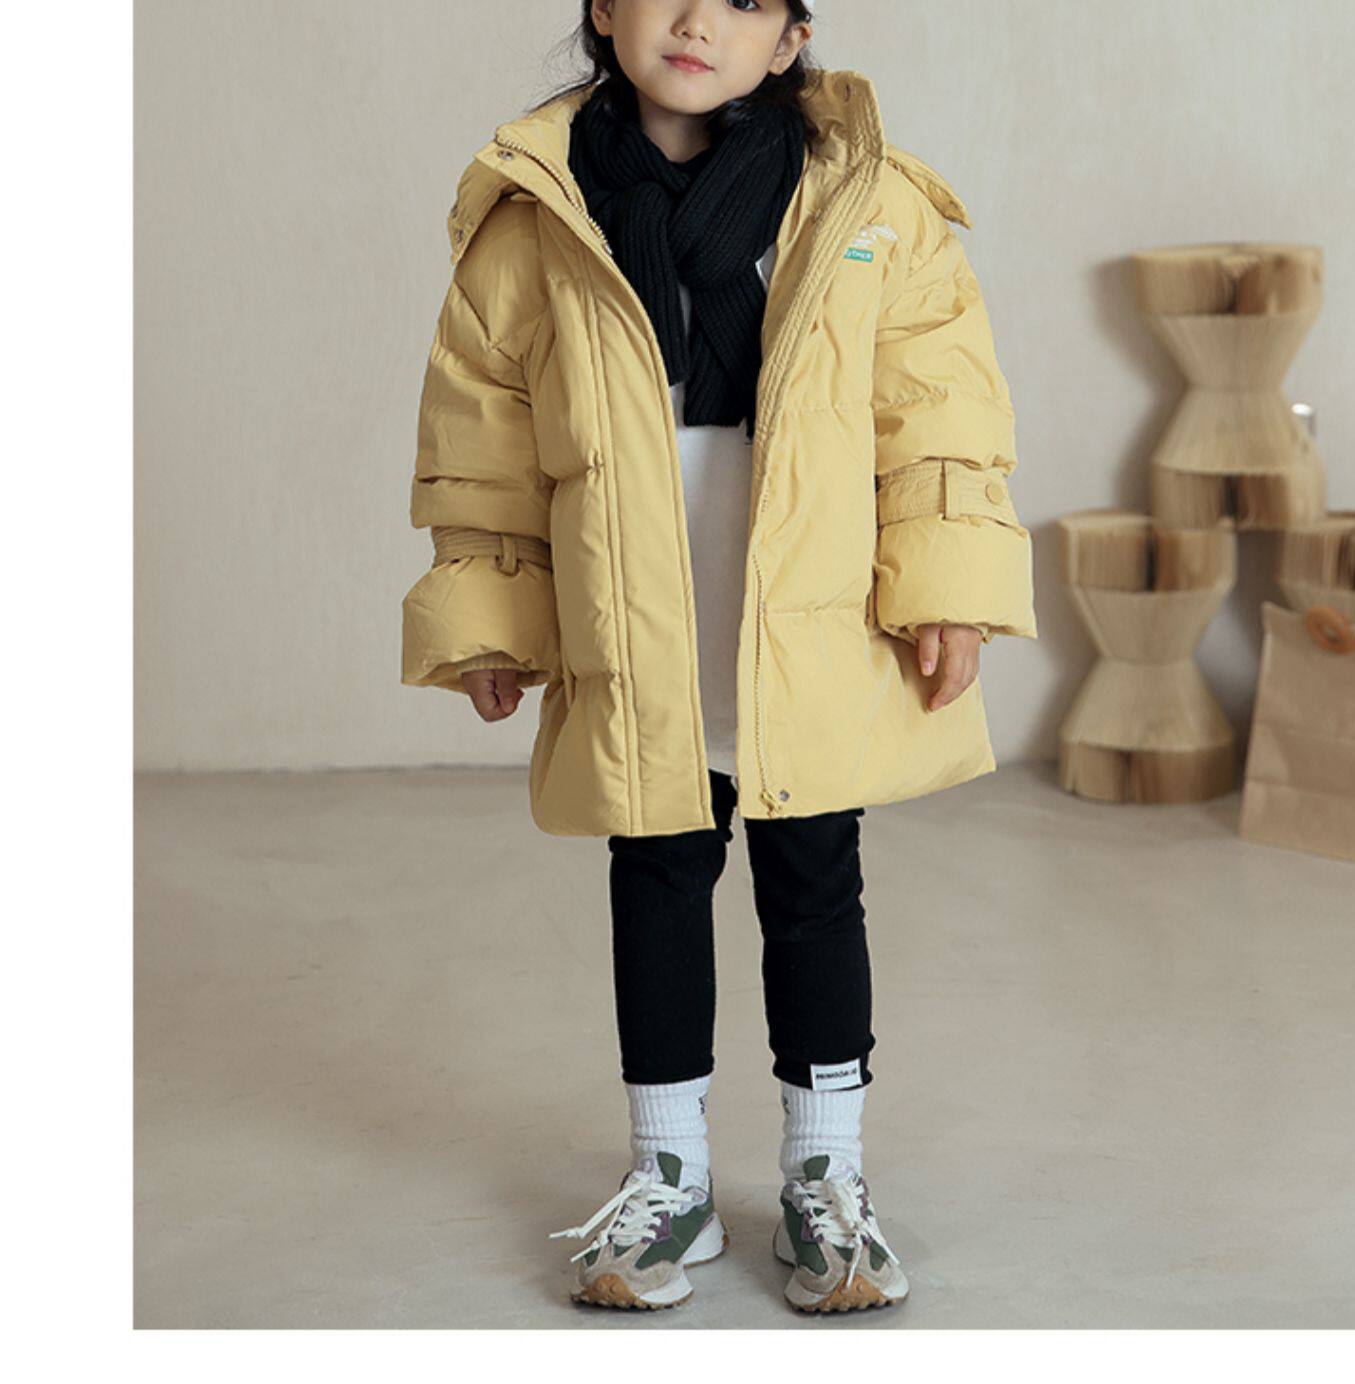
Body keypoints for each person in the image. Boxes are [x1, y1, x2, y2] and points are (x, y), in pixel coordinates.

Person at [399, 0, 1036, 1315]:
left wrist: (950, 589)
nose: (699, 19)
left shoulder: (867, 203)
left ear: (791, 38)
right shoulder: (540, 217)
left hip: (808, 610)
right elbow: (484, 438)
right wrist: (490, 611)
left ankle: (826, 1178)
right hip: (637, 610)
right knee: (656, 875)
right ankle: (669, 1175)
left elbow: (937, 411)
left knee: (815, 879)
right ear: (602, 9)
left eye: (745, 0)